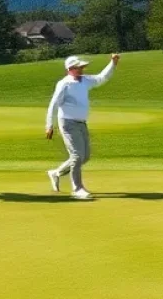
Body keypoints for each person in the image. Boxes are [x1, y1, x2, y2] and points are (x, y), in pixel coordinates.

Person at [45, 54, 120, 200]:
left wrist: (113, 63)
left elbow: (102, 78)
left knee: (84, 157)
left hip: (81, 122)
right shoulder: (64, 84)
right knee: (77, 156)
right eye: (79, 67)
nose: (82, 70)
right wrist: (49, 125)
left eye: (82, 67)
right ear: (71, 69)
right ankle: (77, 188)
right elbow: (53, 104)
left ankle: (56, 173)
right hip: (67, 122)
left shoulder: (85, 80)